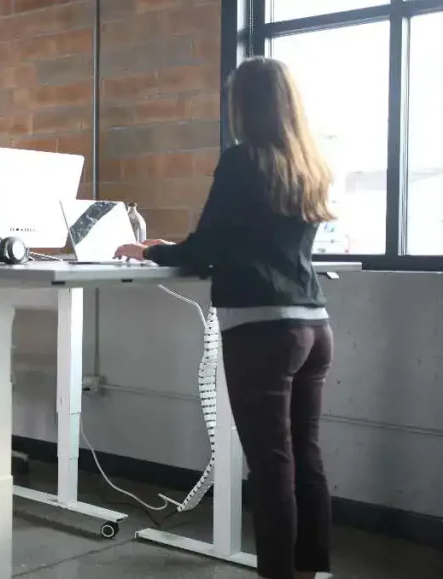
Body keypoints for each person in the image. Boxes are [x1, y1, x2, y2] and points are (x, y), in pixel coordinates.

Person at [116, 57, 335, 579]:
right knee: (305, 454)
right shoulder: (307, 164)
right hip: (313, 325)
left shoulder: (243, 161)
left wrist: (151, 252)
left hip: (261, 331)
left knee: (272, 464)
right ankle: (314, 570)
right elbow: (251, 241)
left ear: (243, 105)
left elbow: (207, 248)